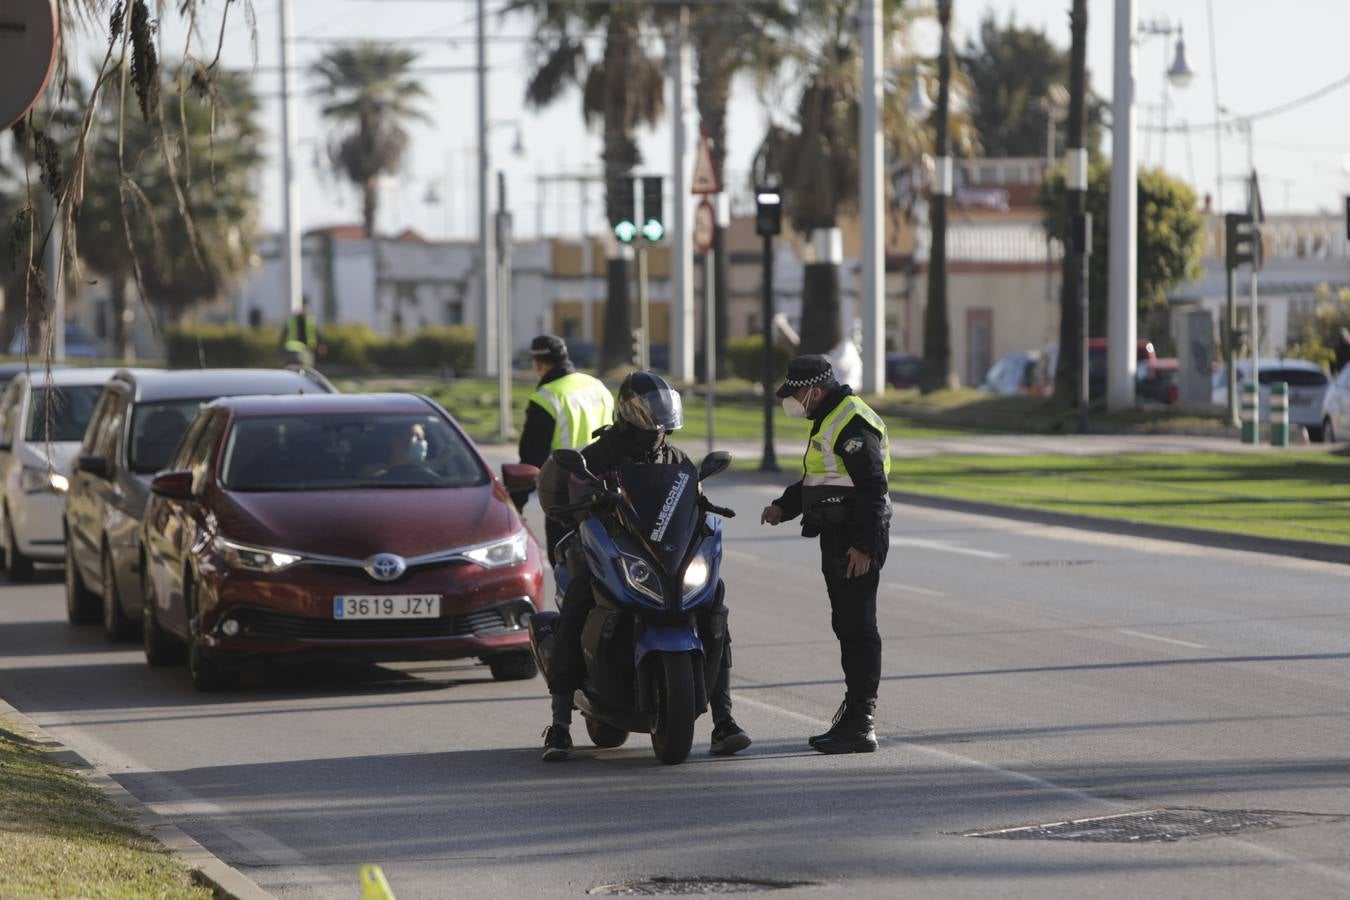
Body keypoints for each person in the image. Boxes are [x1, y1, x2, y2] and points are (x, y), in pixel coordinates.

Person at [535, 371, 750, 762]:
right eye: (650, 412)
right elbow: (577, 489)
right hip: (610, 551)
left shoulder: (676, 457)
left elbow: (691, 496)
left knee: (713, 600)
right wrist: (588, 498)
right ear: (629, 410)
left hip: (664, 559)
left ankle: (724, 720)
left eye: (663, 413)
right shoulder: (599, 455)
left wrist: (703, 504)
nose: (658, 423)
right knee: (580, 597)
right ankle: (560, 723)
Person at [760, 355, 891, 754]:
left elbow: (872, 486)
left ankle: (861, 723)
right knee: (847, 626)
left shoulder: (850, 422)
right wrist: (785, 505)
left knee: (858, 628)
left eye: (795, 394)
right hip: (839, 535)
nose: (792, 401)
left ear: (814, 390)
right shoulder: (831, 418)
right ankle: (852, 719)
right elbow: (821, 477)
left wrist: (864, 547)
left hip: (856, 538)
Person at [515, 335, 614, 563]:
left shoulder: (547, 398)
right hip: (606, 490)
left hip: (565, 497)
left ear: (537, 363)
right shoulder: (597, 386)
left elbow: (532, 460)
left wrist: (516, 504)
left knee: (567, 568)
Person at [281, 300, 322, 367]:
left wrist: (321, 344)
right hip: (295, 350)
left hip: (307, 349)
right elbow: (285, 334)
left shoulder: (309, 321)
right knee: (304, 367)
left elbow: (316, 333)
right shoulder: (293, 320)